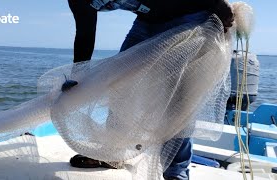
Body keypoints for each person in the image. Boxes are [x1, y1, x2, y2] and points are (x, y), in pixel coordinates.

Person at [67, 0, 234, 179]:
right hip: (146, 21)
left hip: (188, 17)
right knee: (120, 83)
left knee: (177, 100)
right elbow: (85, 33)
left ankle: (176, 173)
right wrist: (78, 74)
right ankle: (113, 154)